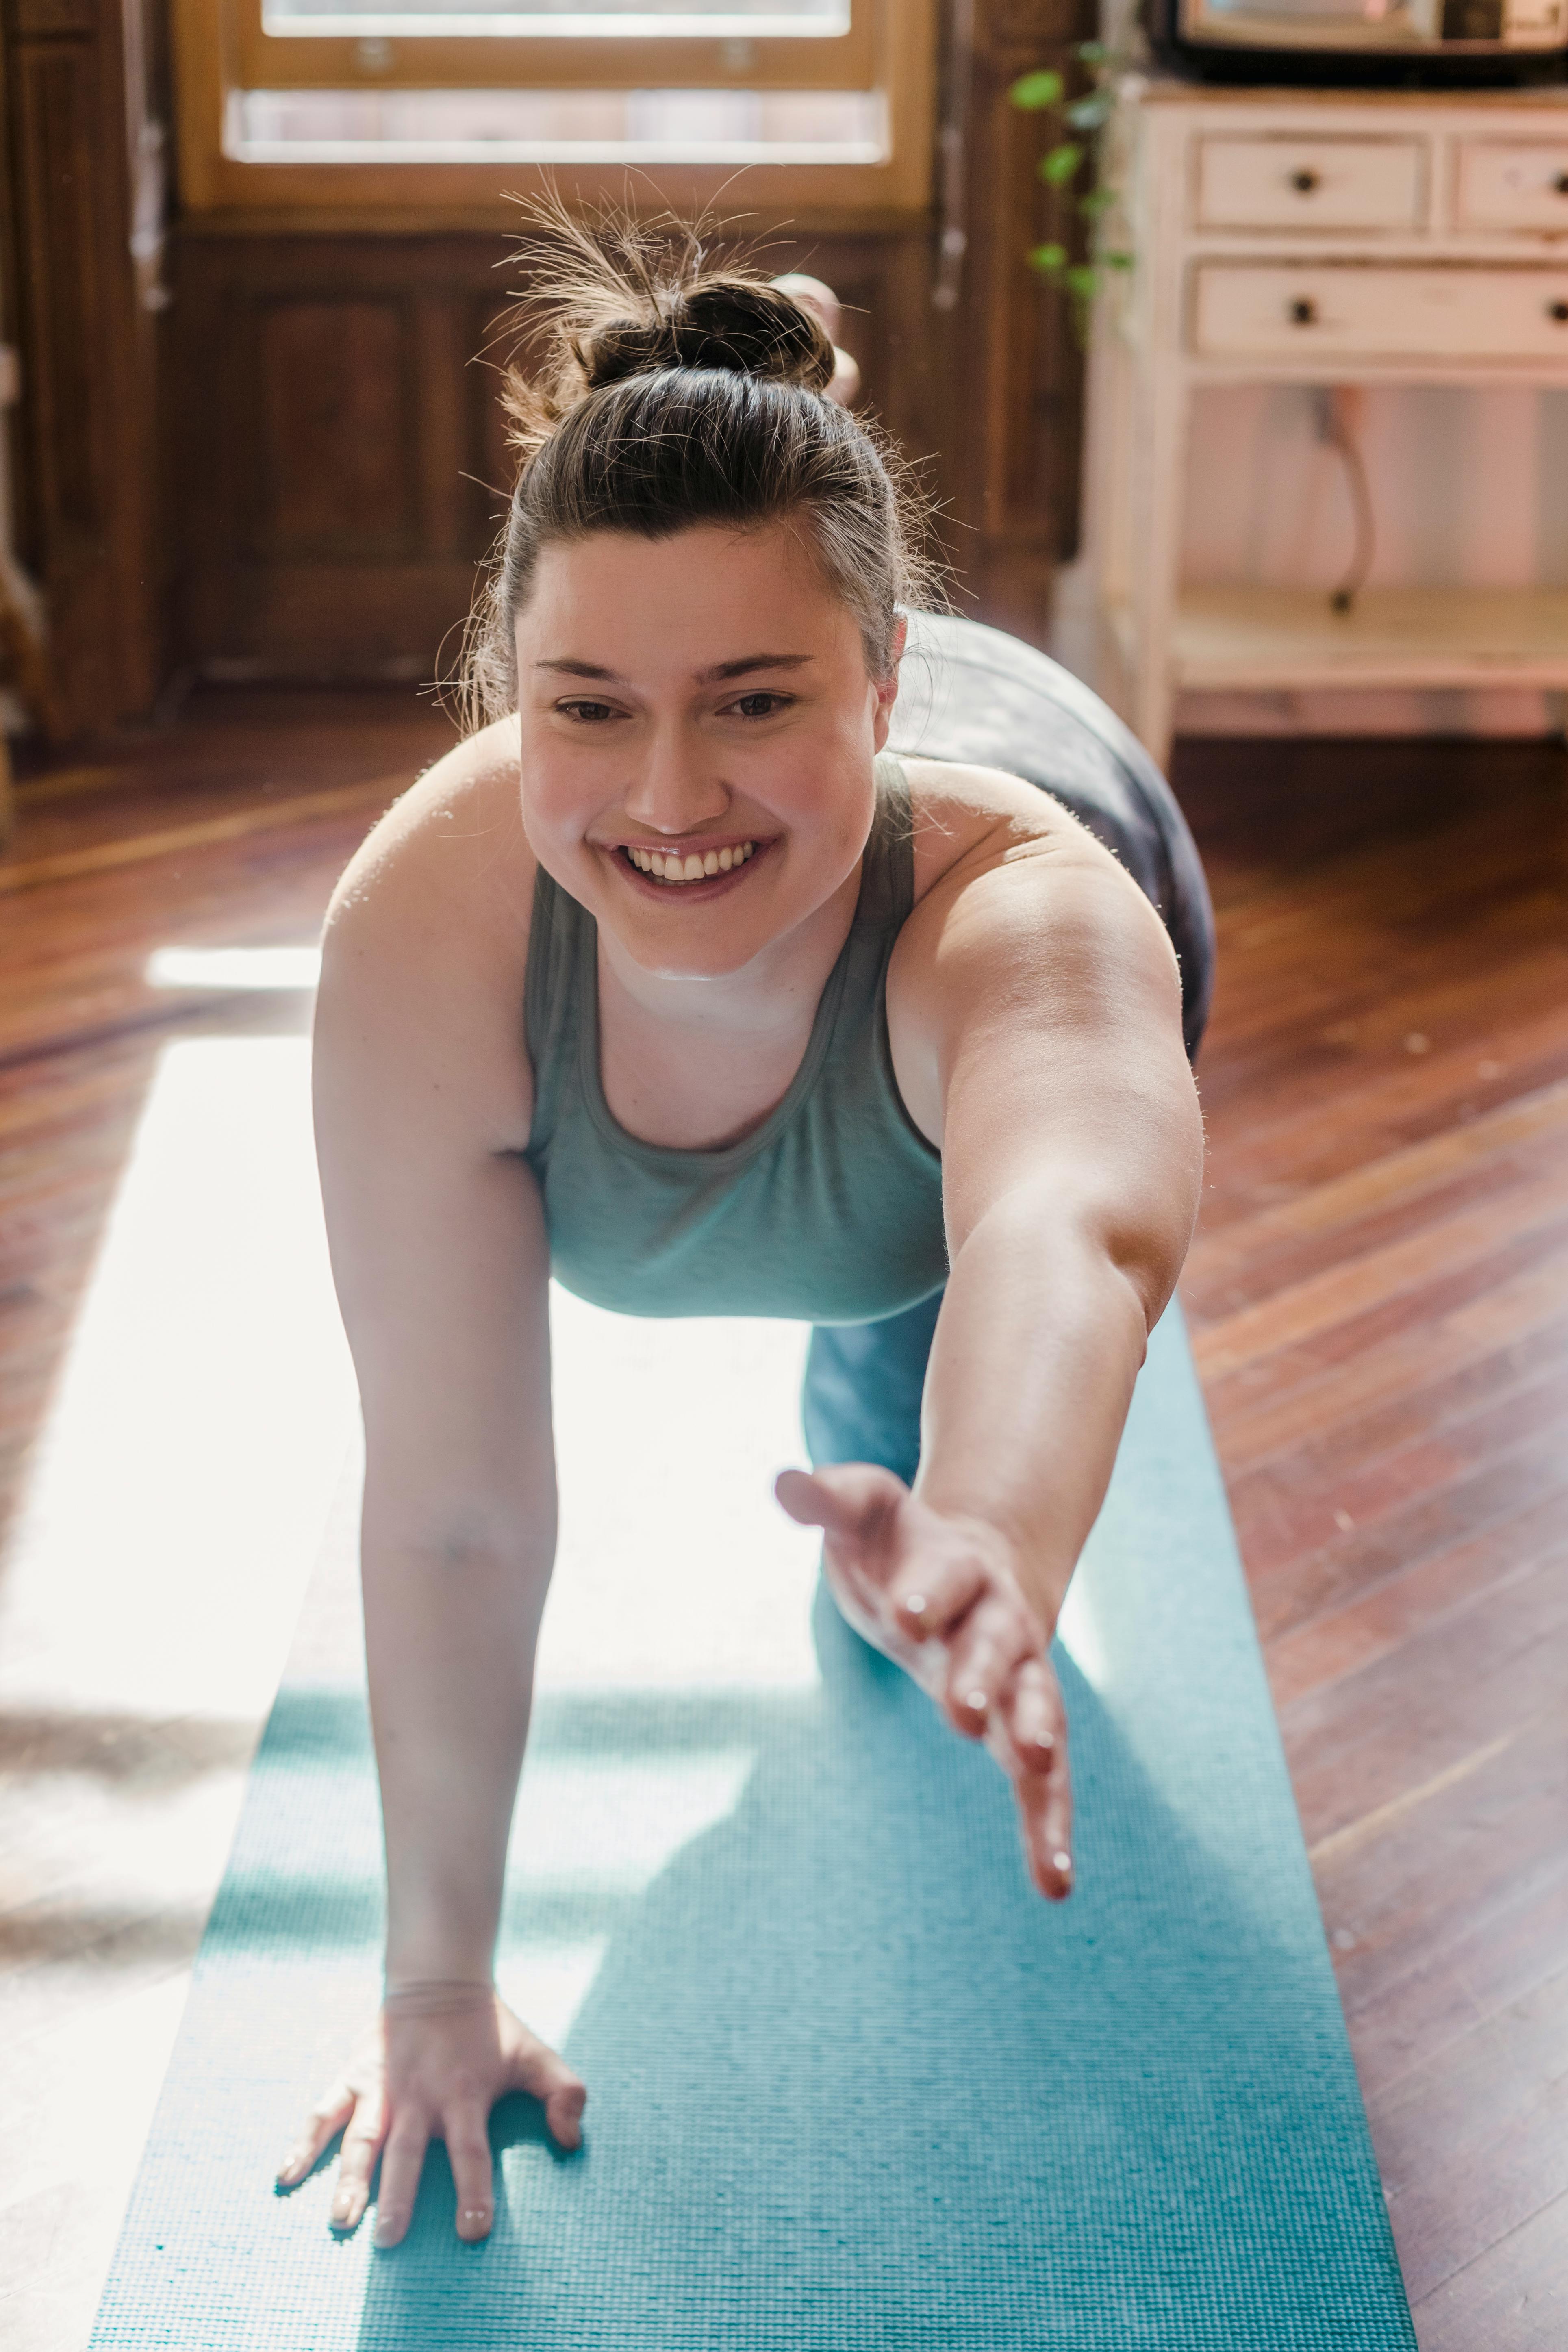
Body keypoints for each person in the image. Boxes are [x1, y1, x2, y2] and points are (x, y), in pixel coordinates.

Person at [274, 206, 1206, 2256]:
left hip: (1042, 883)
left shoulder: (1027, 915)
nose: (666, 792)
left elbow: (1068, 1225)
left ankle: (886, 1392)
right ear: (507, 690)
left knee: (910, 1325)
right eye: (586, 707)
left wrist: (990, 1524)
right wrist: (434, 1984)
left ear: (887, 677)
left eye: (754, 696)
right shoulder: (430, 930)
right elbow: (449, 1508)